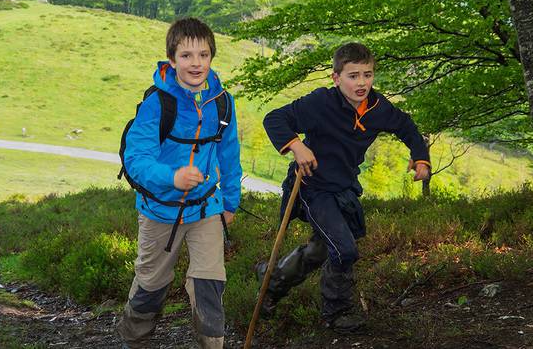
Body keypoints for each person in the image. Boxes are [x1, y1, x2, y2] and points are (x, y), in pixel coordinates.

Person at [258, 42, 431, 333]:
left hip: (345, 187)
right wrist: (297, 146)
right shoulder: (320, 103)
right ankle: (336, 313)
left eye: (368, 74)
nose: (361, 82)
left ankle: (271, 282)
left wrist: (421, 158)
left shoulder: (378, 107)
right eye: (353, 75)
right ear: (336, 78)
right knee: (344, 250)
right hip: (313, 186)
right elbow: (274, 119)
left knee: (323, 247)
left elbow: (406, 126)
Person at [117, 18, 242, 349]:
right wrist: (172, 177)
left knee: (209, 286)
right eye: (186, 55)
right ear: (171, 60)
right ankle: (134, 340)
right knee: (151, 286)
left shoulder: (223, 102)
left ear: (212, 57)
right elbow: (136, 158)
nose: (196, 63)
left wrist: (230, 202)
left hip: (205, 210)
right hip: (160, 212)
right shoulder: (157, 104)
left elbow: (229, 156)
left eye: (203, 54)